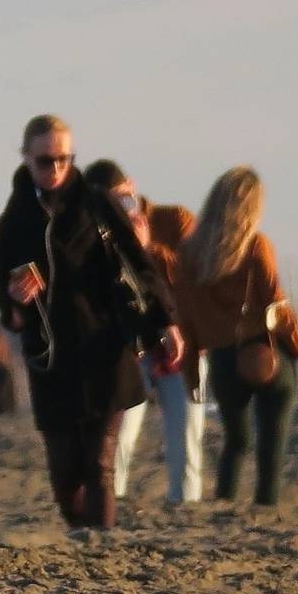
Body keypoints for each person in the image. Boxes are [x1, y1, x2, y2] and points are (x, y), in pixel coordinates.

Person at [0, 115, 184, 530]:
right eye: (45, 160)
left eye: (64, 158)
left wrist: (166, 322)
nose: (56, 168)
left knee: (99, 463)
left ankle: (101, 550)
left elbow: (140, 264)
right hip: (51, 359)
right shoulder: (14, 220)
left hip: (105, 349)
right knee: (64, 472)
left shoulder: (97, 205)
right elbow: (0, 289)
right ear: (26, 159)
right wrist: (15, 298)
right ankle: (82, 531)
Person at [175, 167, 298, 506]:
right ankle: (265, 506)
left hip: (222, 359)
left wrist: (190, 370)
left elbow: (185, 321)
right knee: (271, 444)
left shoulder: (188, 254)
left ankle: (224, 505)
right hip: (264, 355)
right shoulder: (256, 247)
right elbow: (276, 310)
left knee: (236, 442)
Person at [84, 159, 205, 505]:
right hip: (132, 348)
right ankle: (113, 500)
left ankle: (185, 504)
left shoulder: (174, 221)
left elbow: (198, 279)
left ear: (133, 188)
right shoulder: (96, 234)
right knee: (120, 433)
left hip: (182, 345)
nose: (121, 210)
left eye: (124, 201)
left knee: (186, 434)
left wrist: (148, 249)